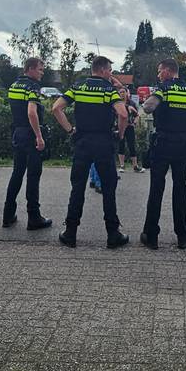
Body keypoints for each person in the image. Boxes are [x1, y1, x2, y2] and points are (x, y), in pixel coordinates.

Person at [50, 55, 130, 248]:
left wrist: (70, 129)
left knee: (77, 188)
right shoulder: (108, 90)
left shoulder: (78, 87)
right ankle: (113, 234)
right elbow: (123, 113)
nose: (111, 74)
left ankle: (70, 233)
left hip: (82, 143)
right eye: (110, 70)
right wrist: (119, 133)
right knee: (109, 189)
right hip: (104, 143)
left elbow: (56, 108)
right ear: (102, 70)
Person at [140, 58, 186, 250]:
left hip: (162, 145)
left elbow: (148, 107)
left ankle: (151, 236)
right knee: (180, 189)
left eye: (160, 71)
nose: (159, 75)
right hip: (183, 146)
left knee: (156, 189)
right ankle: (183, 236)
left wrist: (150, 100)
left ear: (169, 71)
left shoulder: (164, 89)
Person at [2, 57, 53, 230]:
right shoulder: (33, 86)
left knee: (17, 173)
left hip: (17, 132)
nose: (42, 72)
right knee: (33, 175)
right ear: (30, 68)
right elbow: (32, 112)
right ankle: (34, 218)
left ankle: (8, 215)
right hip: (30, 134)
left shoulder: (14, 85)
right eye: (40, 69)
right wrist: (39, 136)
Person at [117, 88, 143, 173]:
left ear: (126, 93)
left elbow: (137, 115)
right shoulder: (117, 103)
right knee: (121, 145)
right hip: (120, 127)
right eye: (120, 92)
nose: (122, 94)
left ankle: (135, 166)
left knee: (131, 145)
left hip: (129, 126)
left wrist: (134, 123)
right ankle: (122, 165)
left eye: (123, 92)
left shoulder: (132, 103)